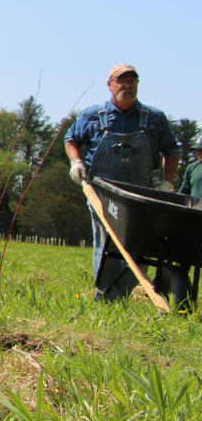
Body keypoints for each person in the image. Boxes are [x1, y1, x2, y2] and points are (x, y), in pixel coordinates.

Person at [65, 63, 181, 303]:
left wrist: (167, 184)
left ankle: (122, 297)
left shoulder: (154, 119)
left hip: (139, 198)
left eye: (132, 81)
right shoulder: (92, 115)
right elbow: (71, 139)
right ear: (110, 85)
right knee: (105, 244)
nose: (128, 86)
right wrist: (76, 163)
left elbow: (172, 151)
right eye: (122, 81)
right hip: (102, 193)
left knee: (136, 247)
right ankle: (105, 296)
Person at [178, 133, 202, 208]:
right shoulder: (192, 167)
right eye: (197, 150)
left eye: (200, 150)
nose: (198, 152)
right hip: (196, 211)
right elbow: (184, 190)